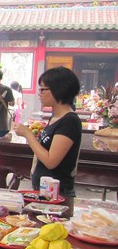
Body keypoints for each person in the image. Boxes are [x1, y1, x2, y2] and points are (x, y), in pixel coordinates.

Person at [14, 67, 82, 210]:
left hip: (58, 195)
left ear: (59, 90)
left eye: (43, 89)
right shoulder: (56, 117)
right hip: (44, 191)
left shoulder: (69, 121)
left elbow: (51, 161)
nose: (39, 93)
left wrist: (28, 135)